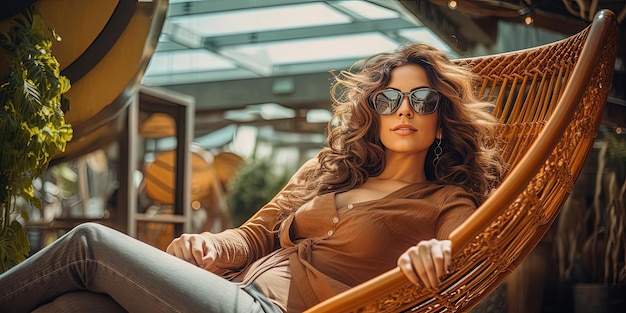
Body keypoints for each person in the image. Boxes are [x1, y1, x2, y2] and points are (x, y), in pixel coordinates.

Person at [0, 43, 506, 313]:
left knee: (89, 243)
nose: (405, 110)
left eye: (422, 100)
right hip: (228, 289)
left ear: (442, 116)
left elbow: (462, 250)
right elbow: (252, 235)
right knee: (69, 308)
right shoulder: (328, 173)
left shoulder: (446, 200)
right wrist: (211, 247)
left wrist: (438, 252)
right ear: (373, 111)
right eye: (390, 99)